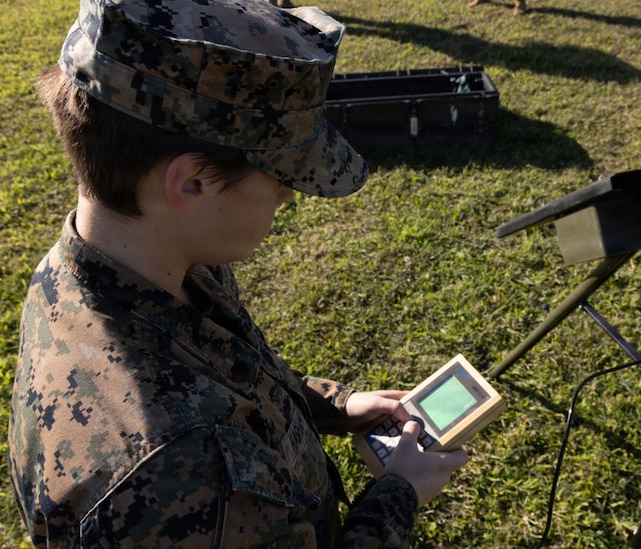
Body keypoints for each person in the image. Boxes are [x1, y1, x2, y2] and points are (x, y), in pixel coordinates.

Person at [6, 0, 469, 546]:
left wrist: (334, 405)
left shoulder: (124, 263)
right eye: (281, 173)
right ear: (192, 184)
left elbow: (232, 372)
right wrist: (398, 495)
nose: (289, 194)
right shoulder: (172, 469)